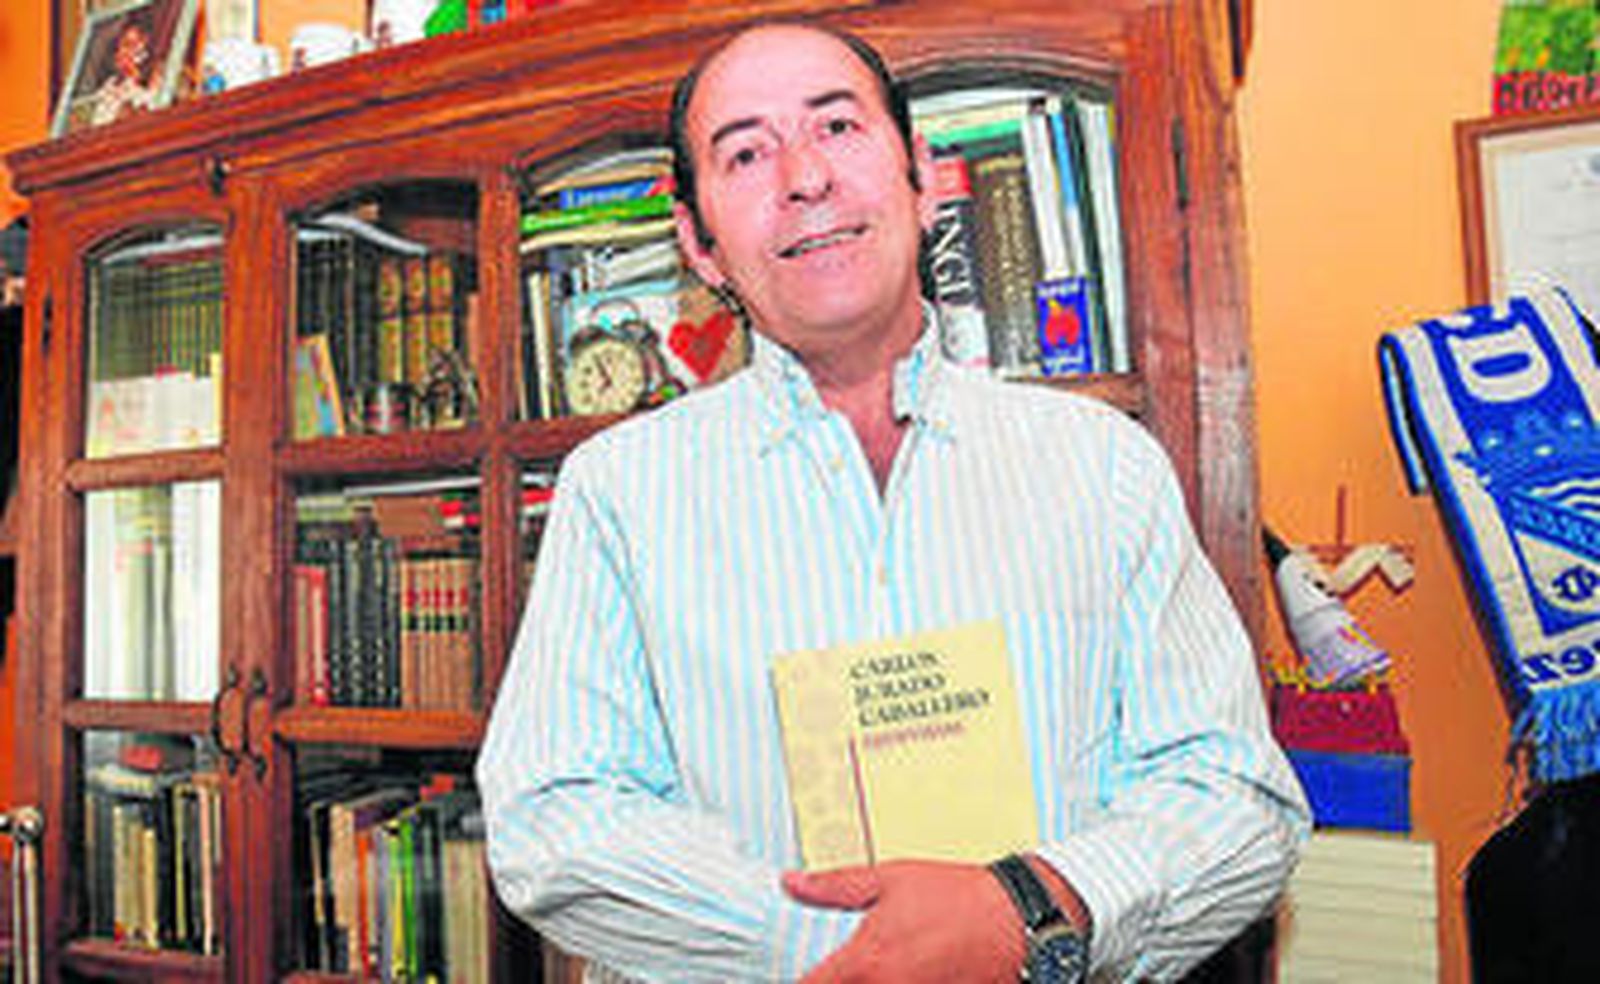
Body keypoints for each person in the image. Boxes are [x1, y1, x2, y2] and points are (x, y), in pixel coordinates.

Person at [478, 21, 1308, 982]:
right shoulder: (618, 493)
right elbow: (553, 821)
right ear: (698, 242)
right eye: (745, 153)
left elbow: (1238, 799)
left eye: (837, 126)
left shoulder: (1107, 468)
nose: (804, 177)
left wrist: (1031, 913)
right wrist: (857, 948)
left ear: (921, 177)